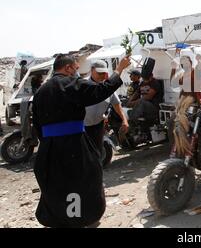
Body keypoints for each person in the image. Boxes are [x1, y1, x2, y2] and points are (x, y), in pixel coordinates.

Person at [32, 53, 131, 228]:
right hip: (74, 146)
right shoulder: (70, 84)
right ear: (68, 68)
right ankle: (80, 217)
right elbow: (100, 91)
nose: (77, 73)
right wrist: (119, 69)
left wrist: (49, 144)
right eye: (76, 69)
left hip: (48, 148)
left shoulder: (40, 91)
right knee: (84, 180)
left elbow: (37, 125)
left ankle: (61, 218)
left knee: (57, 184)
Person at [84, 60, 129, 154]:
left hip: (98, 126)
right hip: (83, 127)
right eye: (99, 73)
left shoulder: (107, 87)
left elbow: (116, 104)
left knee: (97, 152)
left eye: (103, 73)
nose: (102, 76)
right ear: (92, 70)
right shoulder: (83, 85)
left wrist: (124, 120)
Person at [127, 58, 163, 127]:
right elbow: (136, 93)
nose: (145, 80)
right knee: (127, 103)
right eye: (144, 79)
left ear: (151, 76)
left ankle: (131, 122)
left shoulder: (155, 83)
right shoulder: (142, 83)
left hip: (153, 108)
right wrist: (129, 101)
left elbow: (147, 97)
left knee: (141, 102)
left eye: (146, 79)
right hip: (143, 106)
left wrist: (133, 103)